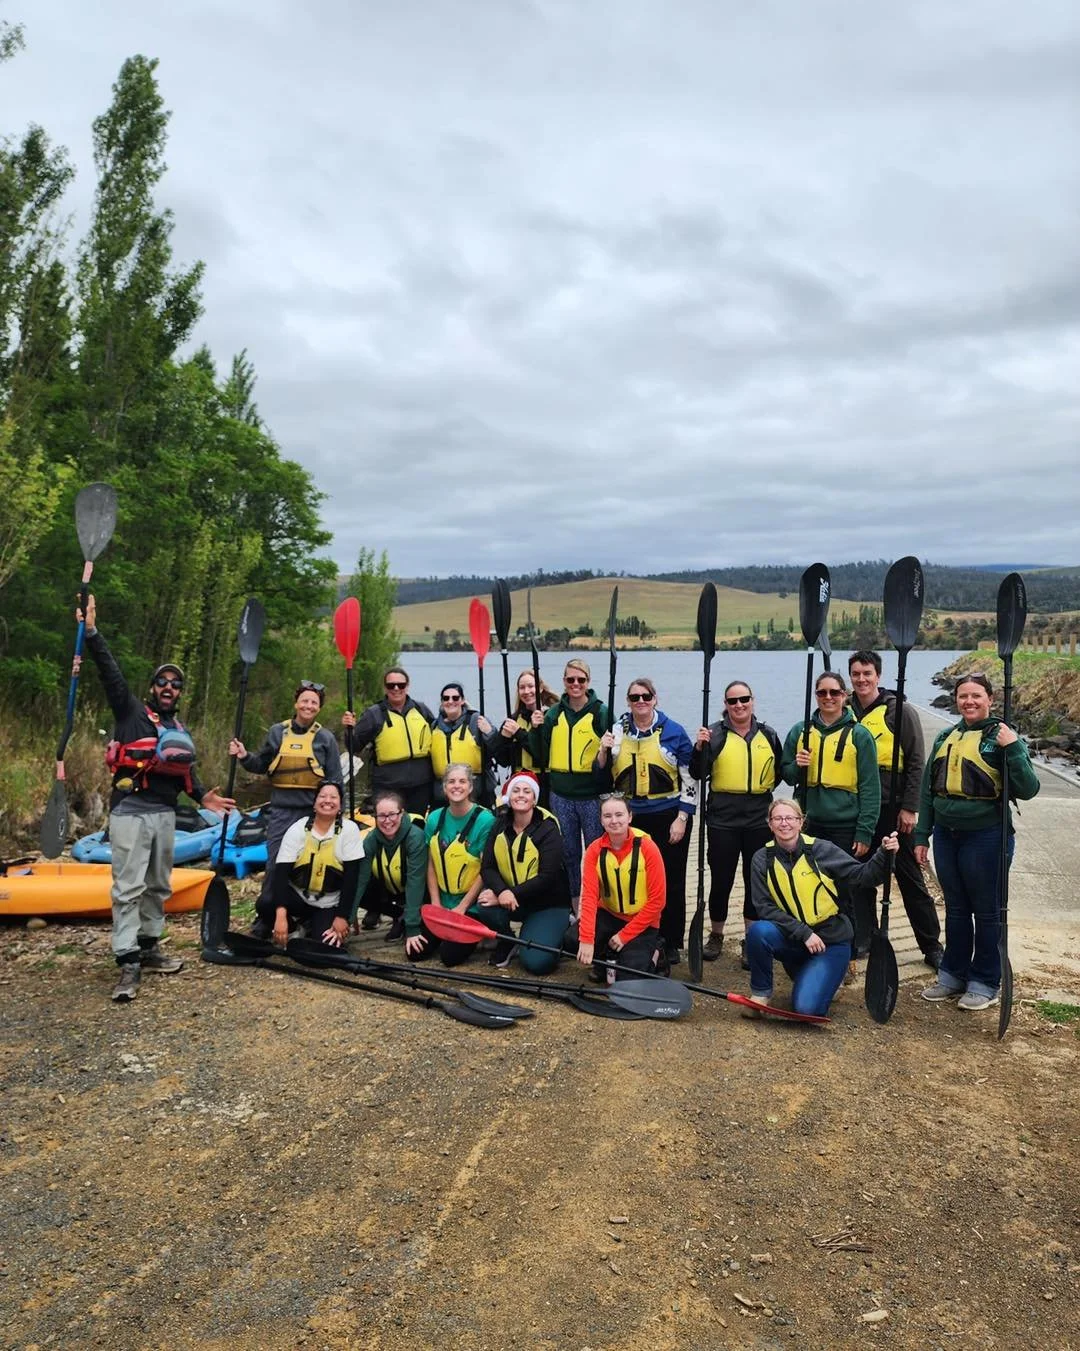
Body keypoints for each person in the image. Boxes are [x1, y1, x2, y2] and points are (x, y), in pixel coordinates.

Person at [78, 594, 234, 1003]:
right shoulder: (130, 712)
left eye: (175, 684)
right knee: (128, 886)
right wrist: (92, 632)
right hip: (131, 812)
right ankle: (126, 958)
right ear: (152, 687)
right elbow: (110, 673)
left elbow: (187, 771)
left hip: (167, 814)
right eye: (162, 682)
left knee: (158, 885)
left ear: (179, 693)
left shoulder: (177, 726)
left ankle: (148, 946)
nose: (168, 688)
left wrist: (204, 798)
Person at [915, 672, 1040, 1011]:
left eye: (976, 696)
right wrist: (921, 834)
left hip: (986, 836)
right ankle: (953, 973)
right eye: (963, 696)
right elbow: (928, 791)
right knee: (956, 909)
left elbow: (1028, 789)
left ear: (990, 699)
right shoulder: (946, 736)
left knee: (986, 911)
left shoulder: (1001, 736)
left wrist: (1012, 747)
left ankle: (985, 980)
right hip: (946, 835)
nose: (968, 701)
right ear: (956, 700)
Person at [744, 799, 901, 1018]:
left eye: (790, 818)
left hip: (830, 941)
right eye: (777, 818)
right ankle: (760, 994)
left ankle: (827, 976)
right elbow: (764, 908)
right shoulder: (761, 859)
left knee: (807, 1010)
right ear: (770, 824)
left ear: (801, 822)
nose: (784, 823)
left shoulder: (821, 850)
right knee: (758, 931)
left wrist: (884, 854)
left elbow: (863, 877)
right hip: (796, 939)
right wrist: (804, 933)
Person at [847, 650, 943, 970]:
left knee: (909, 877)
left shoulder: (898, 711)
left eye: (867, 674)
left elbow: (917, 763)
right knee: (859, 875)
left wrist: (910, 808)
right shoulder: (845, 710)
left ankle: (931, 944)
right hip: (859, 809)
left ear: (878, 676)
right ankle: (865, 936)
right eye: (856, 674)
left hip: (892, 807)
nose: (861, 679)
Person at [782, 671, 881, 962]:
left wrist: (865, 831)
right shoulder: (801, 731)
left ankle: (848, 949)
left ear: (844, 696)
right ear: (816, 695)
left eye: (834, 693)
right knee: (810, 882)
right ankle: (812, 941)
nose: (828, 698)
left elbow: (870, 787)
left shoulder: (859, 735)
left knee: (846, 888)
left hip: (845, 824)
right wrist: (798, 765)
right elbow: (785, 775)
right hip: (811, 821)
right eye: (822, 693)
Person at [596, 677, 695, 966]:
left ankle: (672, 940)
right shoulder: (616, 731)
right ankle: (639, 934)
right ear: (628, 701)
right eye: (634, 697)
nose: (640, 701)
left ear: (655, 698)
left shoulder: (674, 732)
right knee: (633, 879)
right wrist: (602, 750)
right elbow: (600, 775)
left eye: (645, 696)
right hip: (630, 817)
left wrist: (682, 817)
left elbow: (690, 778)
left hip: (667, 815)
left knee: (671, 881)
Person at [690, 680, 785, 970]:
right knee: (721, 880)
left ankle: (750, 938)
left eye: (744, 699)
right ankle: (716, 934)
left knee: (755, 880)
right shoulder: (714, 735)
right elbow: (697, 772)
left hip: (758, 818)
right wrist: (698, 748)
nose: (739, 705)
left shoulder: (768, 734)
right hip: (722, 819)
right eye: (733, 701)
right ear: (726, 705)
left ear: (752, 701)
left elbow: (779, 771)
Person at [228, 681, 343, 914]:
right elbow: (261, 764)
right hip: (281, 810)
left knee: (310, 863)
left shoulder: (326, 738)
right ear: (296, 703)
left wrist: (339, 816)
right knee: (275, 863)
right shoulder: (277, 732)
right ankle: (267, 913)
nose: (308, 706)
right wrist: (244, 756)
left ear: (319, 708)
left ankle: (305, 913)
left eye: (314, 702)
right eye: (305, 701)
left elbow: (335, 780)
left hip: (313, 813)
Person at [528, 658, 608, 913]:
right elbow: (540, 754)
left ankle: (599, 904)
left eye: (580, 680)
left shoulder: (601, 712)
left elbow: (613, 755)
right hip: (561, 795)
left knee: (595, 852)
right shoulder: (553, 714)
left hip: (592, 796)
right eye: (570, 679)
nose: (575, 684)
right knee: (569, 854)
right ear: (564, 682)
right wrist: (535, 729)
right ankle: (575, 906)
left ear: (588, 682)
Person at [477, 770, 572, 974]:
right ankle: (509, 939)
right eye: (516, 791)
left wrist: (509, 893)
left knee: (537, 964)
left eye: (527, 791)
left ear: (535, 798)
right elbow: (488, 867)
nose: (521, 795)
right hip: (514, 899)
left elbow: (548, 877)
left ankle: (557, 933)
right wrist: (501, 891)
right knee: (484, 904)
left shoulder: (548, 829)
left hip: (547, 903)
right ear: (509, 797)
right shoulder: (499, 825)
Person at [254, 782, 364, 949]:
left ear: (340, 806)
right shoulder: (297, 829)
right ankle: (293, 928)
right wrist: (281, 916)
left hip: (328, 902)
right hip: (299, 897)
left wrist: (343, 916)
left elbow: (351, 878)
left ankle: (314, 925)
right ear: (314, 804)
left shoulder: (349, 830)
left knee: (325, 948)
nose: (328, 800)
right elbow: (281, 874)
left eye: (333, 797)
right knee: (266, 902)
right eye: (322, 796)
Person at [577, 793, 666, 981]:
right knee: (571, 941)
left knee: (629, 976)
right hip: (610, 915)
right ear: (600, 820)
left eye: (619, 815)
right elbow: (589, 898)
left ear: (630, 817)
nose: (614, 821)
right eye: (607, 816)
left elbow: (658, 901)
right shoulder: (594, 850)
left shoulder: (648, 848)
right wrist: (586, 940)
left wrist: (624, 936)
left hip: (643, 922)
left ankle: (656, 953)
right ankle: (606, 958)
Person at [422, 764, 497, 966]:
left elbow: (485, 869)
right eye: (451, 782)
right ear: (444, 788)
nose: (457, 786)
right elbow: (431, 864)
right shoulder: (434, 818)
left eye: (462, 781)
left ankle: (481, 933)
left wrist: (462, 907)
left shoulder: (485, 820)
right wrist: (436, 904)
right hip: (443, 901)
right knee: (417, 953)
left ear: (470, 787)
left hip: (469, 905)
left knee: (449, 957)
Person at [340, 666, 434, 815]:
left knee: (417, 826)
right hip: (387, 786)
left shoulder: (421, 710)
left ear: (407, 687)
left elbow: (439, 733)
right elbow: (355, 747)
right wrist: (349, 729)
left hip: (420, 785)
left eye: (401, 685)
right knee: (389, 827)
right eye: (391, 685)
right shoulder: (374, 714)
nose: (396, 689)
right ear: (385, 688)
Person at [350, 790, 428, 944]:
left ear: (401, 813)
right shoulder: (371, 840)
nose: (387, 821)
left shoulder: (415, 837)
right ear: (375, 816)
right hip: (390, 889)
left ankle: (409, 918)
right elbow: (361, 880)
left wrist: (413, 928)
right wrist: (347, 918)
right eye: (381, 816)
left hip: (417, 891)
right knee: (361, 887)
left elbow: (415, 882)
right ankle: (398, 915)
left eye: (392, 814)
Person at [429, 683, 498, 808]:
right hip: (443, 793)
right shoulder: (434, 726)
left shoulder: (476, 720)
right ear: (442, 702)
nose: (450, 701)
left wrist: (490, 733)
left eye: (455, 698)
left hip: (477, 792)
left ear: (462, 700)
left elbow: (497, 749)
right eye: (446, 698)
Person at [493, 669, 559, 800]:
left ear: (540, 688)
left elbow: (543, 756)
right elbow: (502, 760)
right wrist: (504, 738)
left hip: (544, 782)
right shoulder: (514, 718)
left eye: (531, 686)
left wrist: (519, 733)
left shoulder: (551, 717)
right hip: (519, 782)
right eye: (522, 688)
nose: (526, 691)